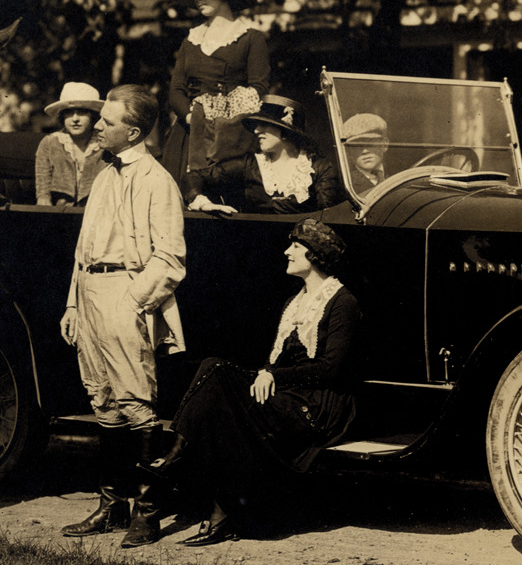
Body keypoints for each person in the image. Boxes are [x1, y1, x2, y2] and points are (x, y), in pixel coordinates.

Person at [138, 218, 360, 546]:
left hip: (318, 405)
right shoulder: (295, 303)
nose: (287, 252)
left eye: (295, 246)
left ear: (314, 255)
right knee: (214, 372)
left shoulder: (342, 302)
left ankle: (172, 464)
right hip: (288, 395)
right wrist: (266, 374)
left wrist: (272, 376)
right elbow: (275, 361)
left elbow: (332, 368)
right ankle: (211, 499)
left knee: (220, 381)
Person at [60, 84, 187, 548]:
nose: (98, 126)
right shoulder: (104, 175)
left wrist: (132, 301)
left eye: (108, 121)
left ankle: (147, 513)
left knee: (136, 402)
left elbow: (170, 257)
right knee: (103, 401)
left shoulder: (156, 180)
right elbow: (83, 249)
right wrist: (74, 303)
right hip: (90, 294)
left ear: (133, 132)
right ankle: (111, 505)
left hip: (125, 294)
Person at [159, 0, 270, 184]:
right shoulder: (191, 39)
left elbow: (258, 88)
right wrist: (191, 118)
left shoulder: (250, 38)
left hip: (231, 136)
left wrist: (222, 121)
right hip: (189, 133)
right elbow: (176, 89)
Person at [186, 95, 344, 215]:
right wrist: (203, 203)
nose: (256, 130)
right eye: (256, 125)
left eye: (264, 125)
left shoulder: (318, 168)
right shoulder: (249, 164)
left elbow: (328, 218)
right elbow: (193, 177)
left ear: (285, 132)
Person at [34, 82, 105, 206]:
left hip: (97, 209)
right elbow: (43, 186)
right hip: (60, 211)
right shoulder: (50, 143)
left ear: (93, 116)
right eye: (69, 112)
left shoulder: (104, 144)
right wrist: (44, 200)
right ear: (62, 116)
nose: (75, 119)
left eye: (82, 112)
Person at [341, 112, 390, 198]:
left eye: (370, 143)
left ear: (384, 145)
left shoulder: (398, 175)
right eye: (357, 146)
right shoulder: (346, 185)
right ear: (349, 151)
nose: (364, 151)